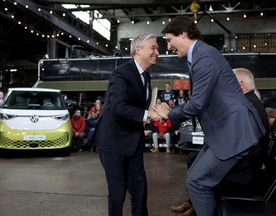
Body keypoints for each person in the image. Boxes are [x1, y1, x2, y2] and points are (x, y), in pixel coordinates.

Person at [153, 16, 266, 216]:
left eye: (169, 40)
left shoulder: (203, 56)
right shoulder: (201, 55)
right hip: (226, 131)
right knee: (195, 175)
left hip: (233, 132)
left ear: (184, 34)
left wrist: (169, 113)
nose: (168, 47)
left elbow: (197, 103)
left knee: (196, 182)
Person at [171, 67, 270, 216]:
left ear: (240, 85)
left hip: (243, 171)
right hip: (245, 163)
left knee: (198, 180)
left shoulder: (246, 107)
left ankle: (200, 207)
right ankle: (196, 204)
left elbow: (233, 141)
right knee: (196, 160)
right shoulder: (250, 103)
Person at [93, 34, 160, 216]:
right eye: (153, 48)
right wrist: (146, 114)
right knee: (117, 193)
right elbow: (117, 107)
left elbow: (137, 107)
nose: (157, 52)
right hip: (113, 142)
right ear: (138, 50)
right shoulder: (121, 73)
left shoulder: (146, 76)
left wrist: (151, 114)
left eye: (157, 48)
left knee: (140, 191)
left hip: (134, 140)